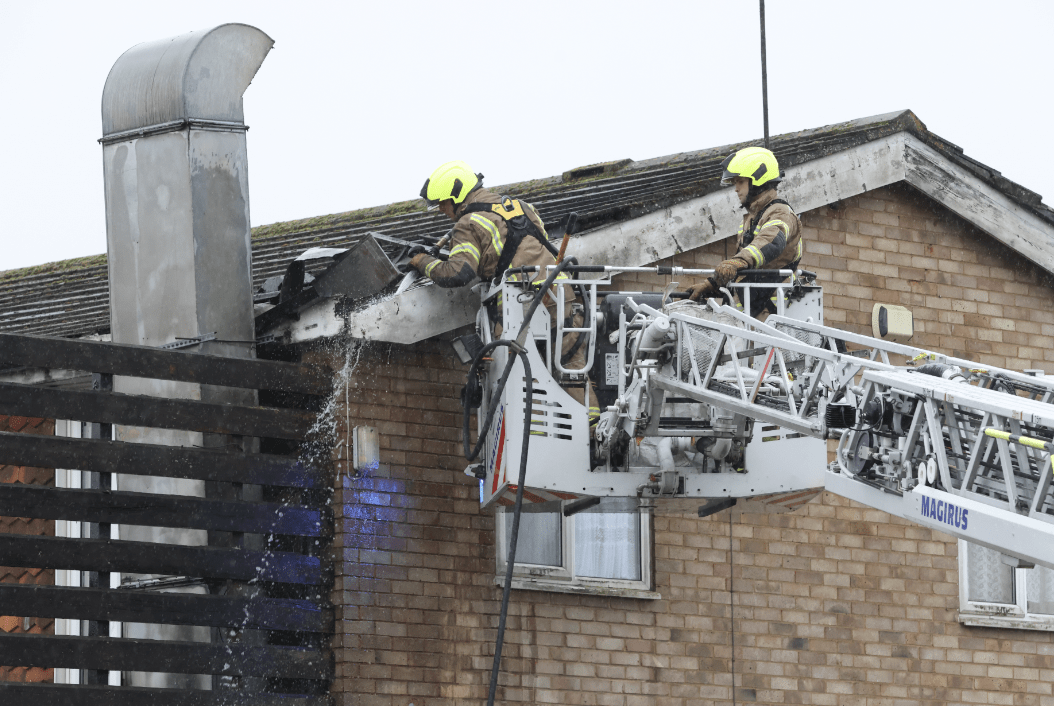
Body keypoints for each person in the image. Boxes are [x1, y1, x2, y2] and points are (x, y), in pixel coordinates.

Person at [411, 160, 598, 421]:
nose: (441, 209)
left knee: (519, 380)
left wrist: (421, 261)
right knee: (571, 370)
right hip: (561, 298)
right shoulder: (520, 207)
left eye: (442, 202)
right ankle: (593, 434)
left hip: (520, 309)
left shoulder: (468, 224)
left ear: (457, 194)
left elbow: (457, 272)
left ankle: (534, 440)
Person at [686, 147, 802, 317]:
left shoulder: (780, 212)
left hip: (773, 321)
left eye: (740, 181)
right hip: (752, 320)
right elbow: (740, 270)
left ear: (758, 179)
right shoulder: (751, 219)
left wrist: (736, 262)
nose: (735, 188)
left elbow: (772, 242)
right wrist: (712, 284)